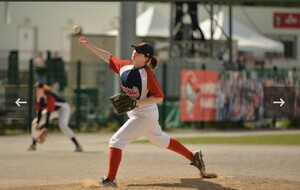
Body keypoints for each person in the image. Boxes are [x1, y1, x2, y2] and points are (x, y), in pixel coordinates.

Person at [78, 36, 216, 187]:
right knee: (161, 141)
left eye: (139, 52)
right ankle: (193, 156)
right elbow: (109, 58)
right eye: (135, 50)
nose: (134, 53)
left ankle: (110, 179)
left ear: (146, 58)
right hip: (139, 113)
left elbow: (159, 98)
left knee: (116, 141)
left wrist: (137, 102)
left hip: (145, 114)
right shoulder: (125, 67)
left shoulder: (147, 75)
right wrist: (90, 46)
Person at [28, 82, 83, 152]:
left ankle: (78, 145)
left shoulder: (49, 96)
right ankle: (33, 145)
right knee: (34, 122)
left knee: (62, 125)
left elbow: (48, 113)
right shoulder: (38, 98)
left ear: (43, 89)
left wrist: (45, 128)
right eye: (36, 89)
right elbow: (39, 112)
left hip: (63, 109)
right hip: (54, 111)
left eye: (39, 89)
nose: (37, 90)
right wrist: (38, 123)